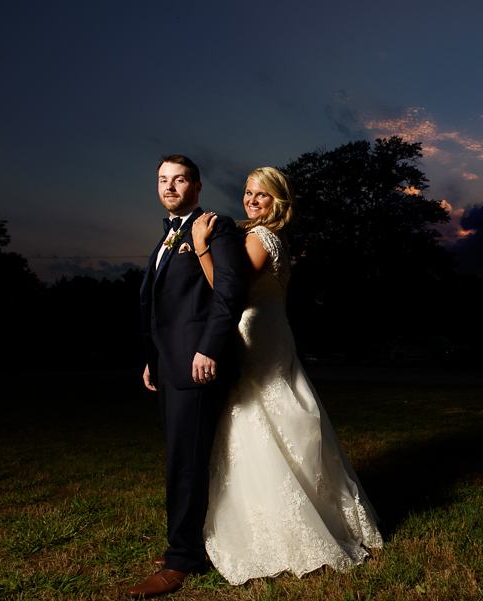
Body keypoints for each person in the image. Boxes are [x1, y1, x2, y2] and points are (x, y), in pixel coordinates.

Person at [191, 167, 383, 586]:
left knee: (255, 415)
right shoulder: (268, 237)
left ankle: (277, 526)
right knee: (267, 414)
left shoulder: (261, 238)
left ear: (279, 201)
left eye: (262, 194)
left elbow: (230, 292)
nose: (251, 200)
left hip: (259, 335)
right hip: (271, 332)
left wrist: (202, 249)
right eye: (247, 193)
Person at [130, 155, 248, 598]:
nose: (170, 187)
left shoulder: (216, 226)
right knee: (181, 457)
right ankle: (188, 542)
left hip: (198, 363)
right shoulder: (168, 233)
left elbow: (231, 292)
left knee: (186, 462)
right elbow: (164, 307)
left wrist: (208, 348)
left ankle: (182, 559)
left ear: (197, 187)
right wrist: (151, 357)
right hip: (167, 364)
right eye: (163, 180)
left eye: (179, 180)